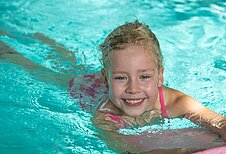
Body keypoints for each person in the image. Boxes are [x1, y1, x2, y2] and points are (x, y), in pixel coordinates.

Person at [80, 20, 226, 152]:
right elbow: (123, 147)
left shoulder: (176, 102)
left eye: (144, 77)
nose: (133, 89)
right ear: (106, 80)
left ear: (160, 76)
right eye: (121, 78)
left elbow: (217, 121)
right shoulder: (105, 116)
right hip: (86, 86)